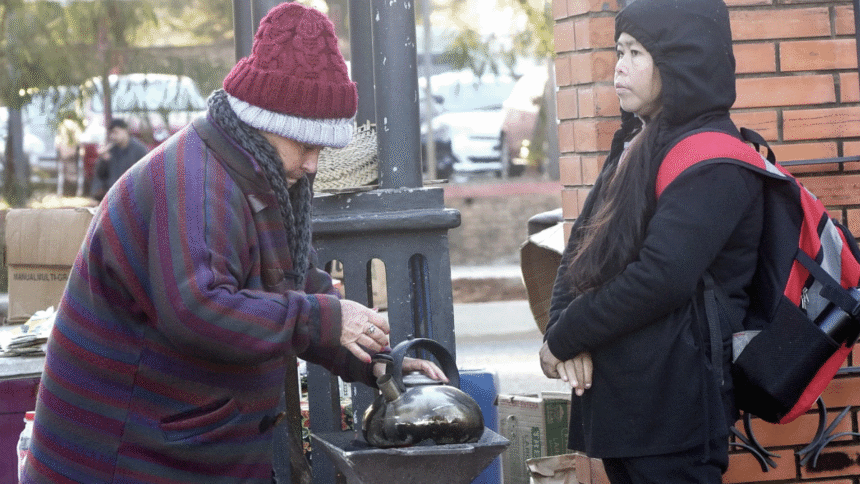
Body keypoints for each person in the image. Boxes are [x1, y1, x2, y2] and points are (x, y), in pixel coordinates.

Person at [21, 3, 447, 483]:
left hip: (179, 448)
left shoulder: (265, 175)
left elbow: (300, 288)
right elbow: (199, 309)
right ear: (260, 123)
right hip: (116, 459)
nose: (313, 164)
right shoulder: (195, 181)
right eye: (305, 146)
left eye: (321, 150)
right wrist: (325, 319)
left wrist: (377, 362)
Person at [539, 0, 764, 482]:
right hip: (626, 406)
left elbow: (662, 278)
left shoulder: (713, 159)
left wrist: (567, 335)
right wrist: (563, 334)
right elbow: (581, 246)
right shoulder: (634, 142)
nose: (619, 67)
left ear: (681, 61)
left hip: (674, 411)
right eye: (619, 50)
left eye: (636, 53)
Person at [90, 118, 149, 201]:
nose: (112, 136)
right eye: (111, 133)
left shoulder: (139, 149)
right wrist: (105, 161)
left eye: (115, 132)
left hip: (134, 194)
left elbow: (146, 174)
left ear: (125, 130)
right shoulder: (111, 150)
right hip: (113, 195)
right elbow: (100, 176)